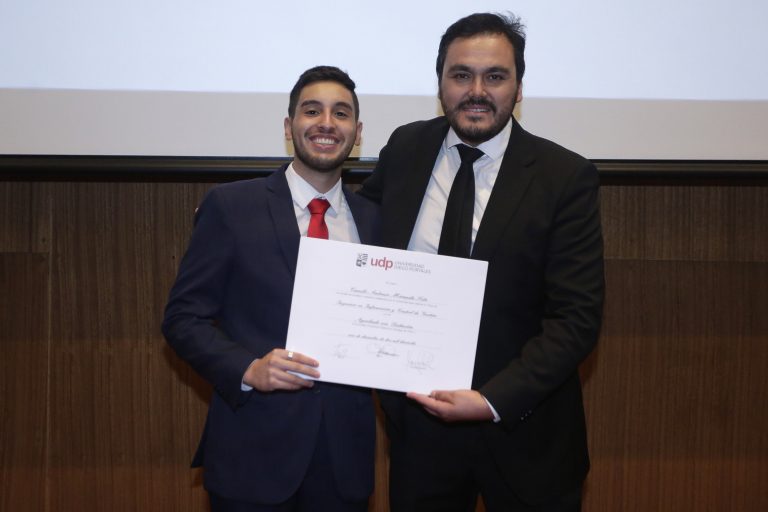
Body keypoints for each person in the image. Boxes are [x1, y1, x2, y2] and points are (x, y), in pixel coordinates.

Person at [359, 12, 604, 512]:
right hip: (420, 435)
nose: (477, 91)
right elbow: (357, 233)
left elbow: (576, 319)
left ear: (518, 87)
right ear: (440, 84)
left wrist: (492, 400)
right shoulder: (405, 148)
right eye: (461, 75)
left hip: (525, 435)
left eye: (494, 76)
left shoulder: (564, 177)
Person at [162, 65, 378, 512]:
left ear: (357, 134)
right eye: (311, 111)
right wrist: (247, 369)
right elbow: (183, 319)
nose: (326, 123)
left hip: (344, 463)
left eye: (341, 114)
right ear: (288, 126)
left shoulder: (376, 220)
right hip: (251, 455)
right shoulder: (232, 206)